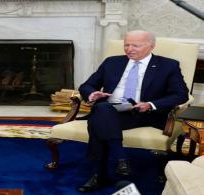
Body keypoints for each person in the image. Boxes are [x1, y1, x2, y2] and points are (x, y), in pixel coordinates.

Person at [77, 30, 189, 192]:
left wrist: (150, 104)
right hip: (111, 109)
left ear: (151, 46)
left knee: (98, 119)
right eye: (126, 45)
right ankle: (120, 158)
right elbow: (86, 85)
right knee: (102, 109)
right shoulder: (112, 62)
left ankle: (99, 174)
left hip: (143, 114)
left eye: (135, 45)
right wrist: (92, 93)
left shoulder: (168, 65)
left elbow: (180, 94)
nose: (129, 49)